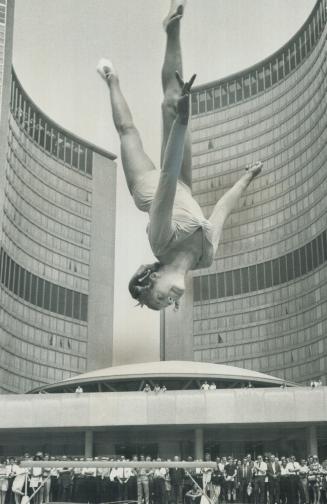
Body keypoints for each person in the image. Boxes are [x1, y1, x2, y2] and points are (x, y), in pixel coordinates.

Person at [97, 0, 263, 311]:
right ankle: (173, 26)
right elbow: (221, 213)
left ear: (153, 277)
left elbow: (167, 178)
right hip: (183, 187)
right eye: (168, 303)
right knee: (176, 99)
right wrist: (247, 177)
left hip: (152, 187)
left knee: (129, 131)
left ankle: (112, 81)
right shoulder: (207, 258)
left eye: (159, 296)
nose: (170, 298)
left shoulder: (161, 241)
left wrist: (183, 122)